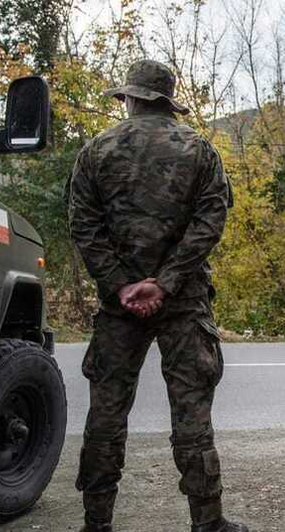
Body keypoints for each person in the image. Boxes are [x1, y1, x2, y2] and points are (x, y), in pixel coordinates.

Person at [68, 59, 248, 532]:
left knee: (106, 413)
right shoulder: (199, 150)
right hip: (183, 301)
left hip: (118, 304)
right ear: (166, 100)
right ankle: (207, 521)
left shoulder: (96, 150)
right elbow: (210, 223)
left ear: (128, 99)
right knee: (191, 412)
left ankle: (96, 523)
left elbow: (83, 226)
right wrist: (165, 282)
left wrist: (121, 284)